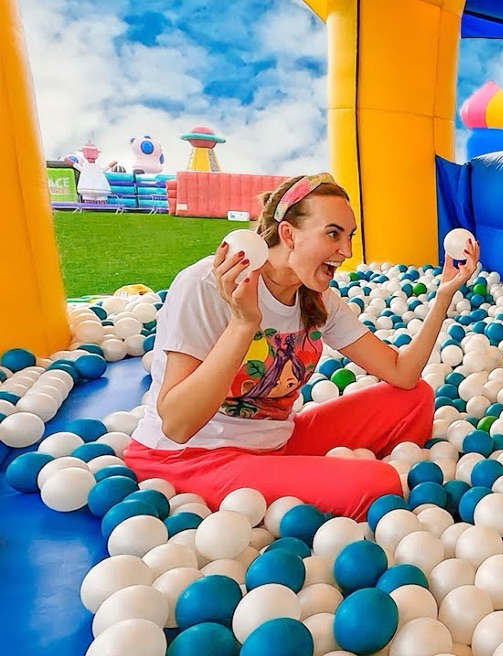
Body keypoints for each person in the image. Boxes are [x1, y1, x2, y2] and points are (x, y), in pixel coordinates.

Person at [124, 173, 479, 520]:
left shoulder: (319, 299)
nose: (346, 251)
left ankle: (302, 479)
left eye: (350, 236)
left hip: (276, 443)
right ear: (288, 234)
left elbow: (402, 373)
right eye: (333, 234)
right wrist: (244, 323)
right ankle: (320, 483)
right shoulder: (207, 285)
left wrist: (443, 295)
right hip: (192, 456)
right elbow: (177, 425)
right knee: (378, 483)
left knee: (415, 397)